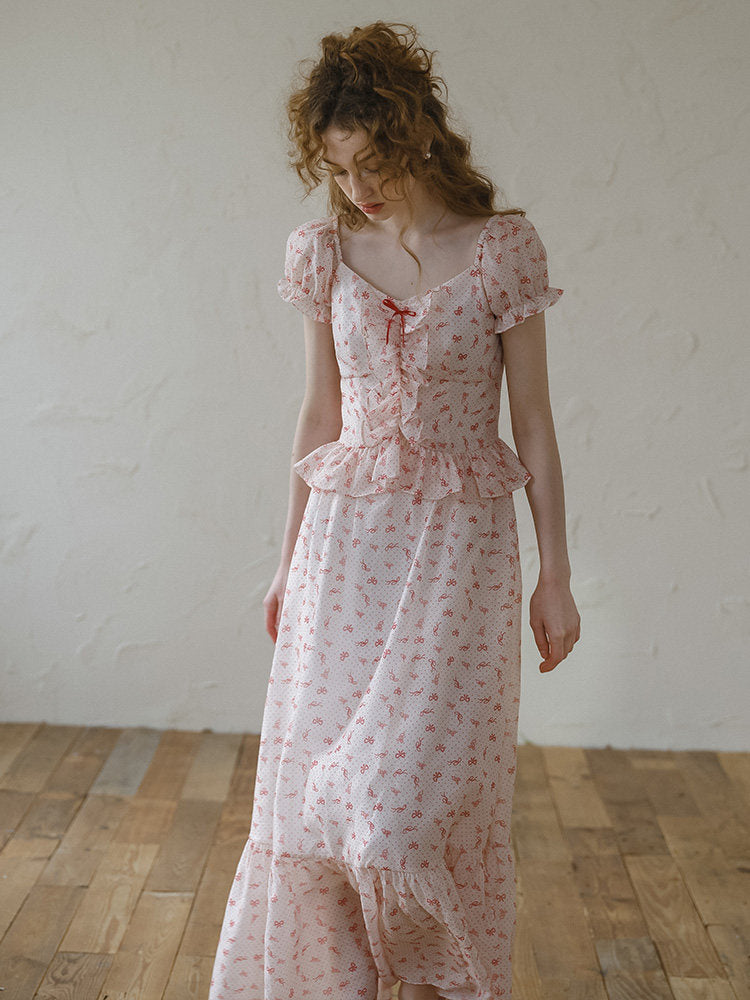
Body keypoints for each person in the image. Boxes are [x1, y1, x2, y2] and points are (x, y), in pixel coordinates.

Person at [209, 20, 580, 1000]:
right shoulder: (324, 253)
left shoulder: (501, 251)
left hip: (459, 553)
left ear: (417, 133)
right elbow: (319, 411)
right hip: (342, 550)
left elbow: (533, 423)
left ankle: (435, 980)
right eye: (338, 169)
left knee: (399, 811)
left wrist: (558, 574)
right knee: (315, 817)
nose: (358, 186)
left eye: (371, 161)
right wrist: (286, 561)